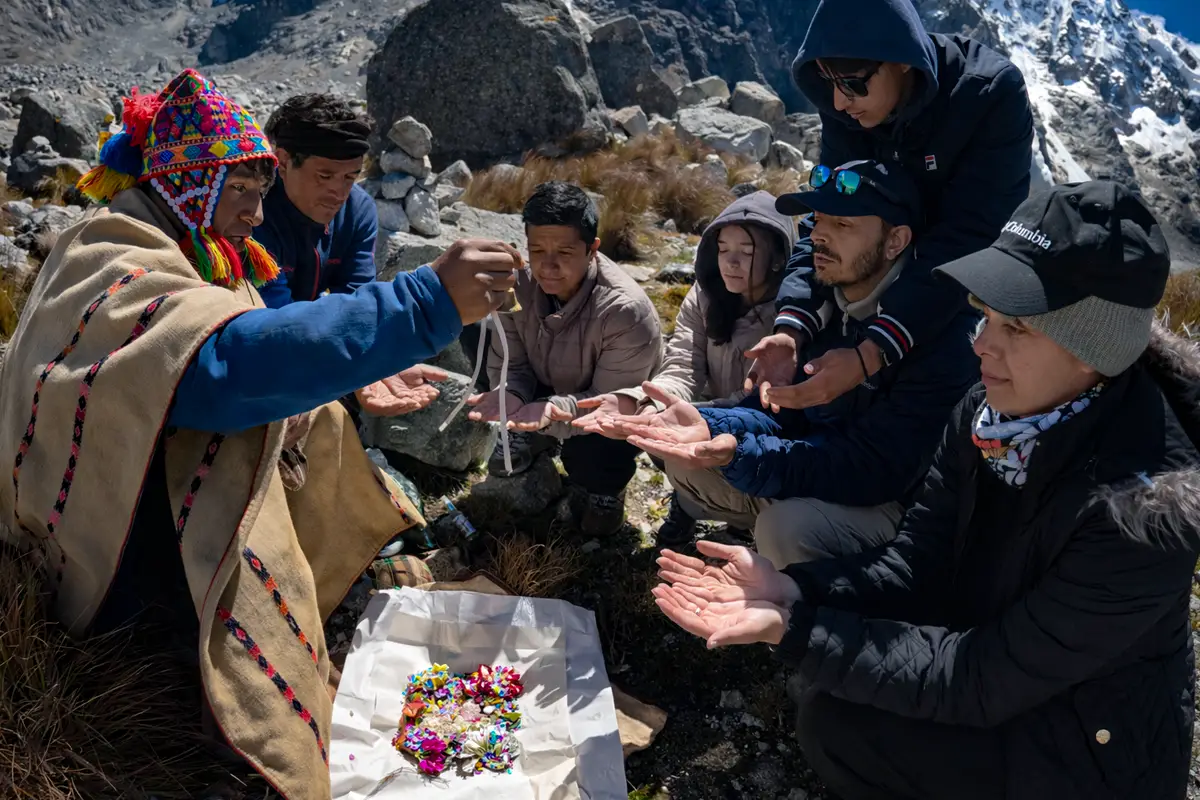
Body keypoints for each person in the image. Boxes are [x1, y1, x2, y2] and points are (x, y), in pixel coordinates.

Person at [2, 69, 519, 799]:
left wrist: (349, 379)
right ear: (188, 185)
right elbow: (219, 369)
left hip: (143, 493)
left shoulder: (199, 246)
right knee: (188, 673)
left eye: (259, 192)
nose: (254, 213)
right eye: (239, 193)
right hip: (102, 545)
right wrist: (419, 304)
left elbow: (257, 342)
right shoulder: (111, 252)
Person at [652, 181, 1199, 800]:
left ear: (1096, 348)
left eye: (1015, 327)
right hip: (998, 663)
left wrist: (795, 627)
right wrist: (795, 588)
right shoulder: (990, 411)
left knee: (842, 718)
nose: (982, 344)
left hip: (1093, 751)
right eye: (985, 315)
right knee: (837, 720)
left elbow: (980, 679)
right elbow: (918, 561)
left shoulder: (1148, 511)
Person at [594, 161, 979, 567]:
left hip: (897, 506)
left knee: (787, 528)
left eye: (843, 225)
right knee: (687, 454)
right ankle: (778, 548)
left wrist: (747, 456)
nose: (820, 236)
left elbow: (875, 467)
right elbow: (785, 413)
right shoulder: (827, 305)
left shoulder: (937, 339)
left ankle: (813, 607)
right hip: (828, 466)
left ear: (895, 240)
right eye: (820, 220)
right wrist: (710, 423)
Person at [748, 0, 1035, 413]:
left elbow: (971, 235)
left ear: (902, 61)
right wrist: (792, 323)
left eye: (853, 83)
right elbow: (826, 215)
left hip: (957, 278)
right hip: (875, 260)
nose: (840, 102)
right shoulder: (847, 106)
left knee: (945, 360)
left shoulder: (988, 94)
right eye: (829, 83)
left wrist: (874, 350)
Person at [573, 190, 797, 546]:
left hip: (766, 433)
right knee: (657, 430)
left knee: (680, 437)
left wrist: (692, 416)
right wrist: (647, 404)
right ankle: (688, 505)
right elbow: (682, 365)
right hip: (709, 415)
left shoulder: (794, 320)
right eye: (723, 249)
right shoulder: (706, 294)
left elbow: (759, 402)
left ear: (777, 259)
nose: (730, 262)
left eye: (747, 252)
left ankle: (743, 521)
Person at [467, 181, 663, 536]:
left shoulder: (625, 311)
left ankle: (605, 490)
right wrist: (512, 395)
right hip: (548, 382)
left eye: (565, 253)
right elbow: (509, 358)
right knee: (476, 330)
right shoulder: (517, 286)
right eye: (537, 250)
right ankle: (527, 432)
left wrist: (554, 411)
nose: (548, 266)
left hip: (599, 403)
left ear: (592, 250)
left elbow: (612, 404)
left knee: (595, 451)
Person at [252, 92, 447, 419]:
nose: (338, 193)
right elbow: (277, 318)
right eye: (324, 176)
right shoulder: (253, 214)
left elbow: (358, 303)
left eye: (350, 176)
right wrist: (356, 368)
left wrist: (377, 362)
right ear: (283, 162)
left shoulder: (357, 211)